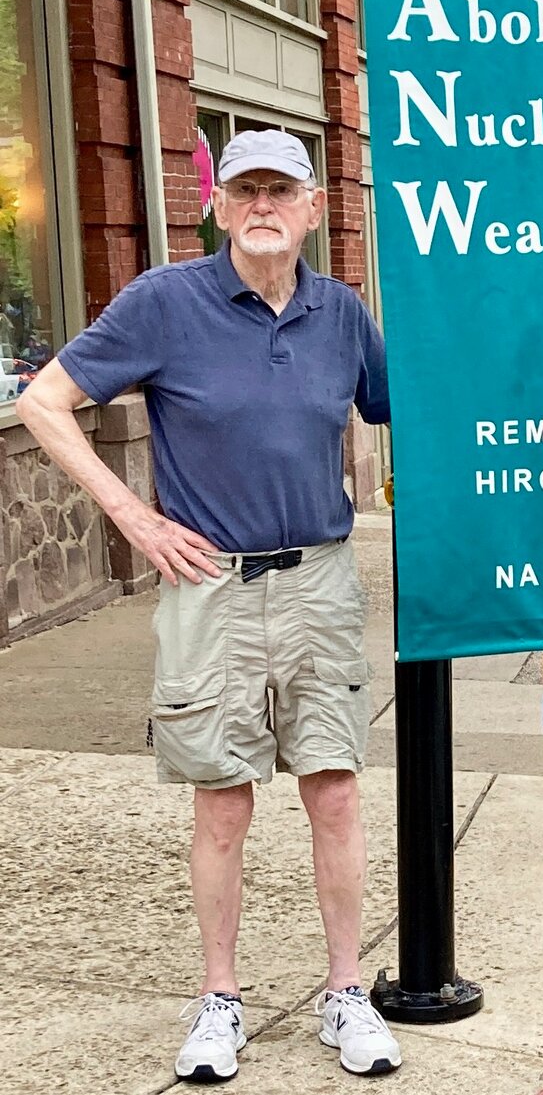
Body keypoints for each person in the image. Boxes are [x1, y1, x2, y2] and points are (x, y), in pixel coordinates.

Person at [17, 130, 402, 1082]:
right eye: (247, 191)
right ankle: (219, 997)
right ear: (220, 209)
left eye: (283, 189)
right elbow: (43, 401)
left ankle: (345, 992)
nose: (264, 204)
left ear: (314, 208)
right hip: (208, 587)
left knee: (337, 791)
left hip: (318, 578)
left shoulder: (342, 313)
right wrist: (130, 516)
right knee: (221, 803)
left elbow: (409, 409)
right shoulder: (164, 303)